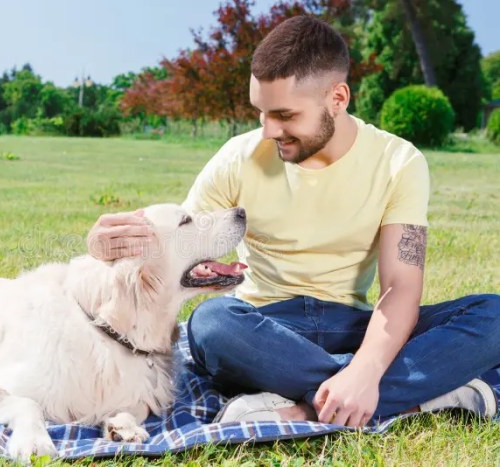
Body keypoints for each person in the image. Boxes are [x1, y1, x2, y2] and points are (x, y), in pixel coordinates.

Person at [86, 15, 500, 427]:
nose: (268, 130)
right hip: (261, 328)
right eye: (262, 112)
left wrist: (367, 369)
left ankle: (304, 407)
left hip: (354, 325)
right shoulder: (238, 156)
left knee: (493, 315)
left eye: (284, 115)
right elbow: (179, 249)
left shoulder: (399, 162)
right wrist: (103, 247)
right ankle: (411, 393)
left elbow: (400, 289)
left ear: (337, 98)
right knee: (210, 324)